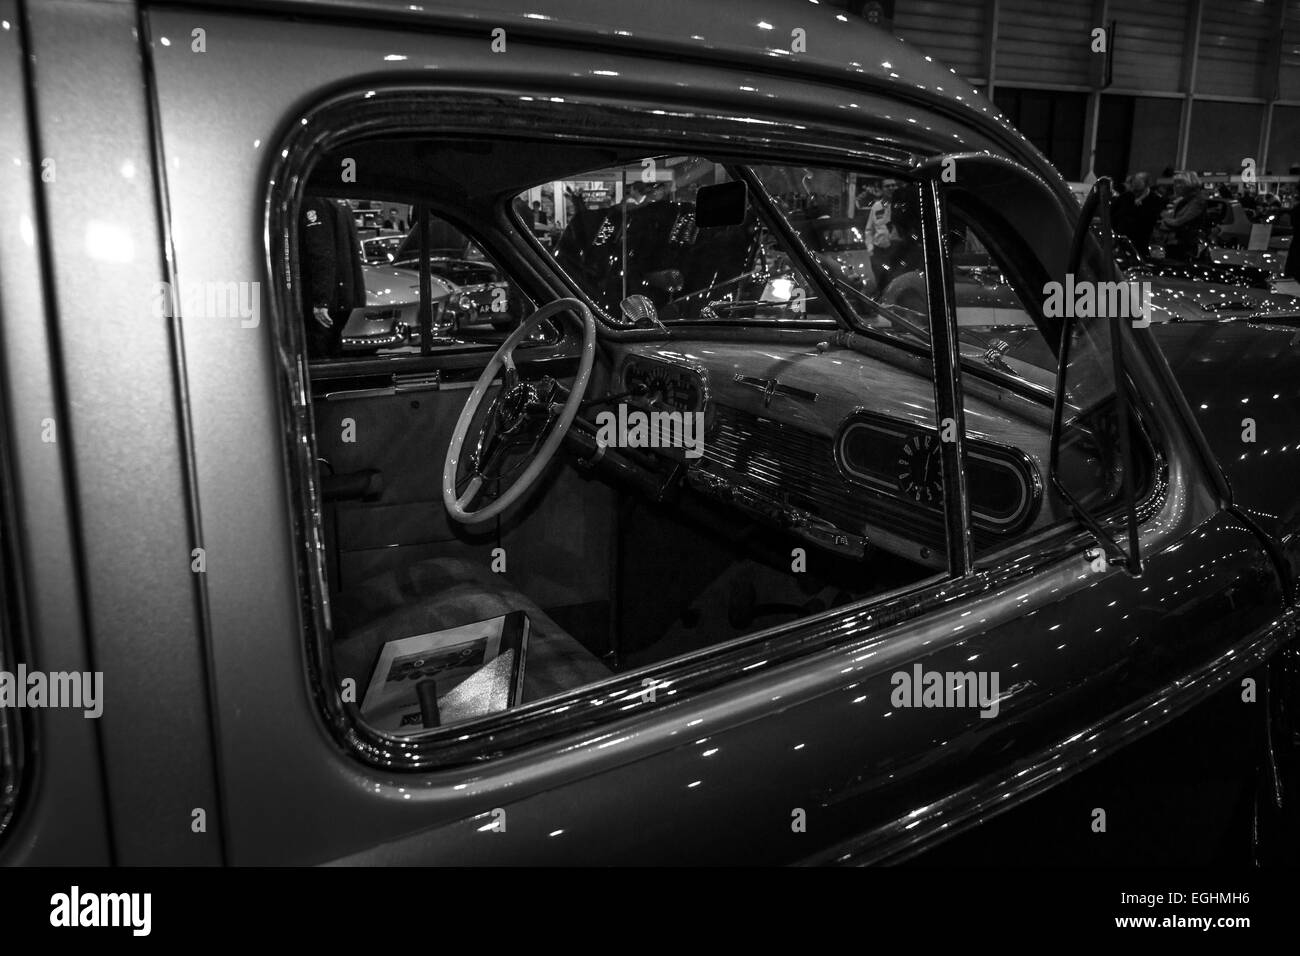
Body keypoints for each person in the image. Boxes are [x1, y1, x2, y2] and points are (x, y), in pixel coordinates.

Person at [299, 196, 366, 359]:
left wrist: (321, 301)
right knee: (332, 351)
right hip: (341, 297)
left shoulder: (313, 202)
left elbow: (320, 253)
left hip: (324, 301)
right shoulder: (341, 203)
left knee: (318, 357)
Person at [1158, 172, 1209, 262]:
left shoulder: (1197, 201)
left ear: (1189, 184)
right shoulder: (1183, 200)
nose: (1176, 186)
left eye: (1179, 183)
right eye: (1175, 183)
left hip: (1185, 246)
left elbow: (1180, 222)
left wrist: (1165, 221)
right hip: (1176, 244)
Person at [1110, 171, 1162, 255]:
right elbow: (1112, 215)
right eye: (1134, 181)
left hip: (1141, 240)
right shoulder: (1124, 197)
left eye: (1139, 181)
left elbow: (1151, 219)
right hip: (1122, 238)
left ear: (1146, 183)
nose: (1135, 184)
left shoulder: (1154, 199)